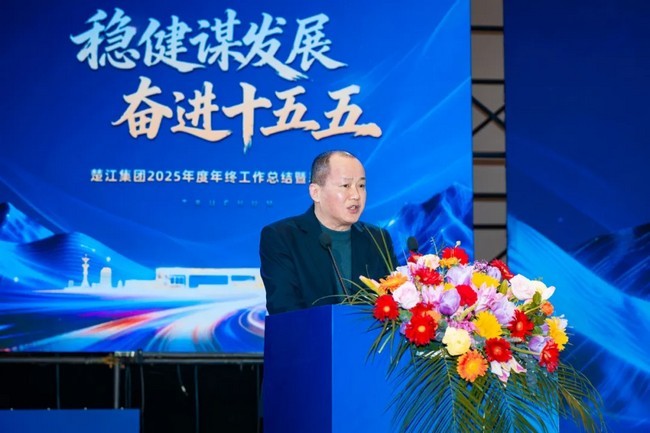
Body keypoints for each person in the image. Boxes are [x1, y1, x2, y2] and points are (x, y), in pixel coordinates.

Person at [259, 150, 397, 315]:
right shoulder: (282, 237)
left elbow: (393, 302)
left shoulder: (378, 239)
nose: (356, 195)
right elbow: (283, 309)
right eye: (345, 186)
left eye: (361, 186)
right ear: (315, 192)